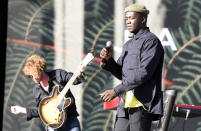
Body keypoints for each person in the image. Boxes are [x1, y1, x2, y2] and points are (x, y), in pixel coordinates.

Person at [100, 3, 164, 131]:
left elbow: (143, 73)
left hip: (141, 105)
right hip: (124, 106)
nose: (128, 22)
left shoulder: (151, 41)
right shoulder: (128, 44)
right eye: (126, 19)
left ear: (143, 19)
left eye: (132, 18)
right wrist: (109, 61)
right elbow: (122, 73)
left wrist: (116, 90)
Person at [11, 54, 85, 131]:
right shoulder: (37, 90)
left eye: (31, 76)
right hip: (54, 126)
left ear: (40, 70)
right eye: (29, 76)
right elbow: (41, 111)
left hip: (70, 120)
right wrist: (22, 110)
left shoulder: (58, 74)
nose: (31, 78)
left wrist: (80, 72)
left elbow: (75, 80)